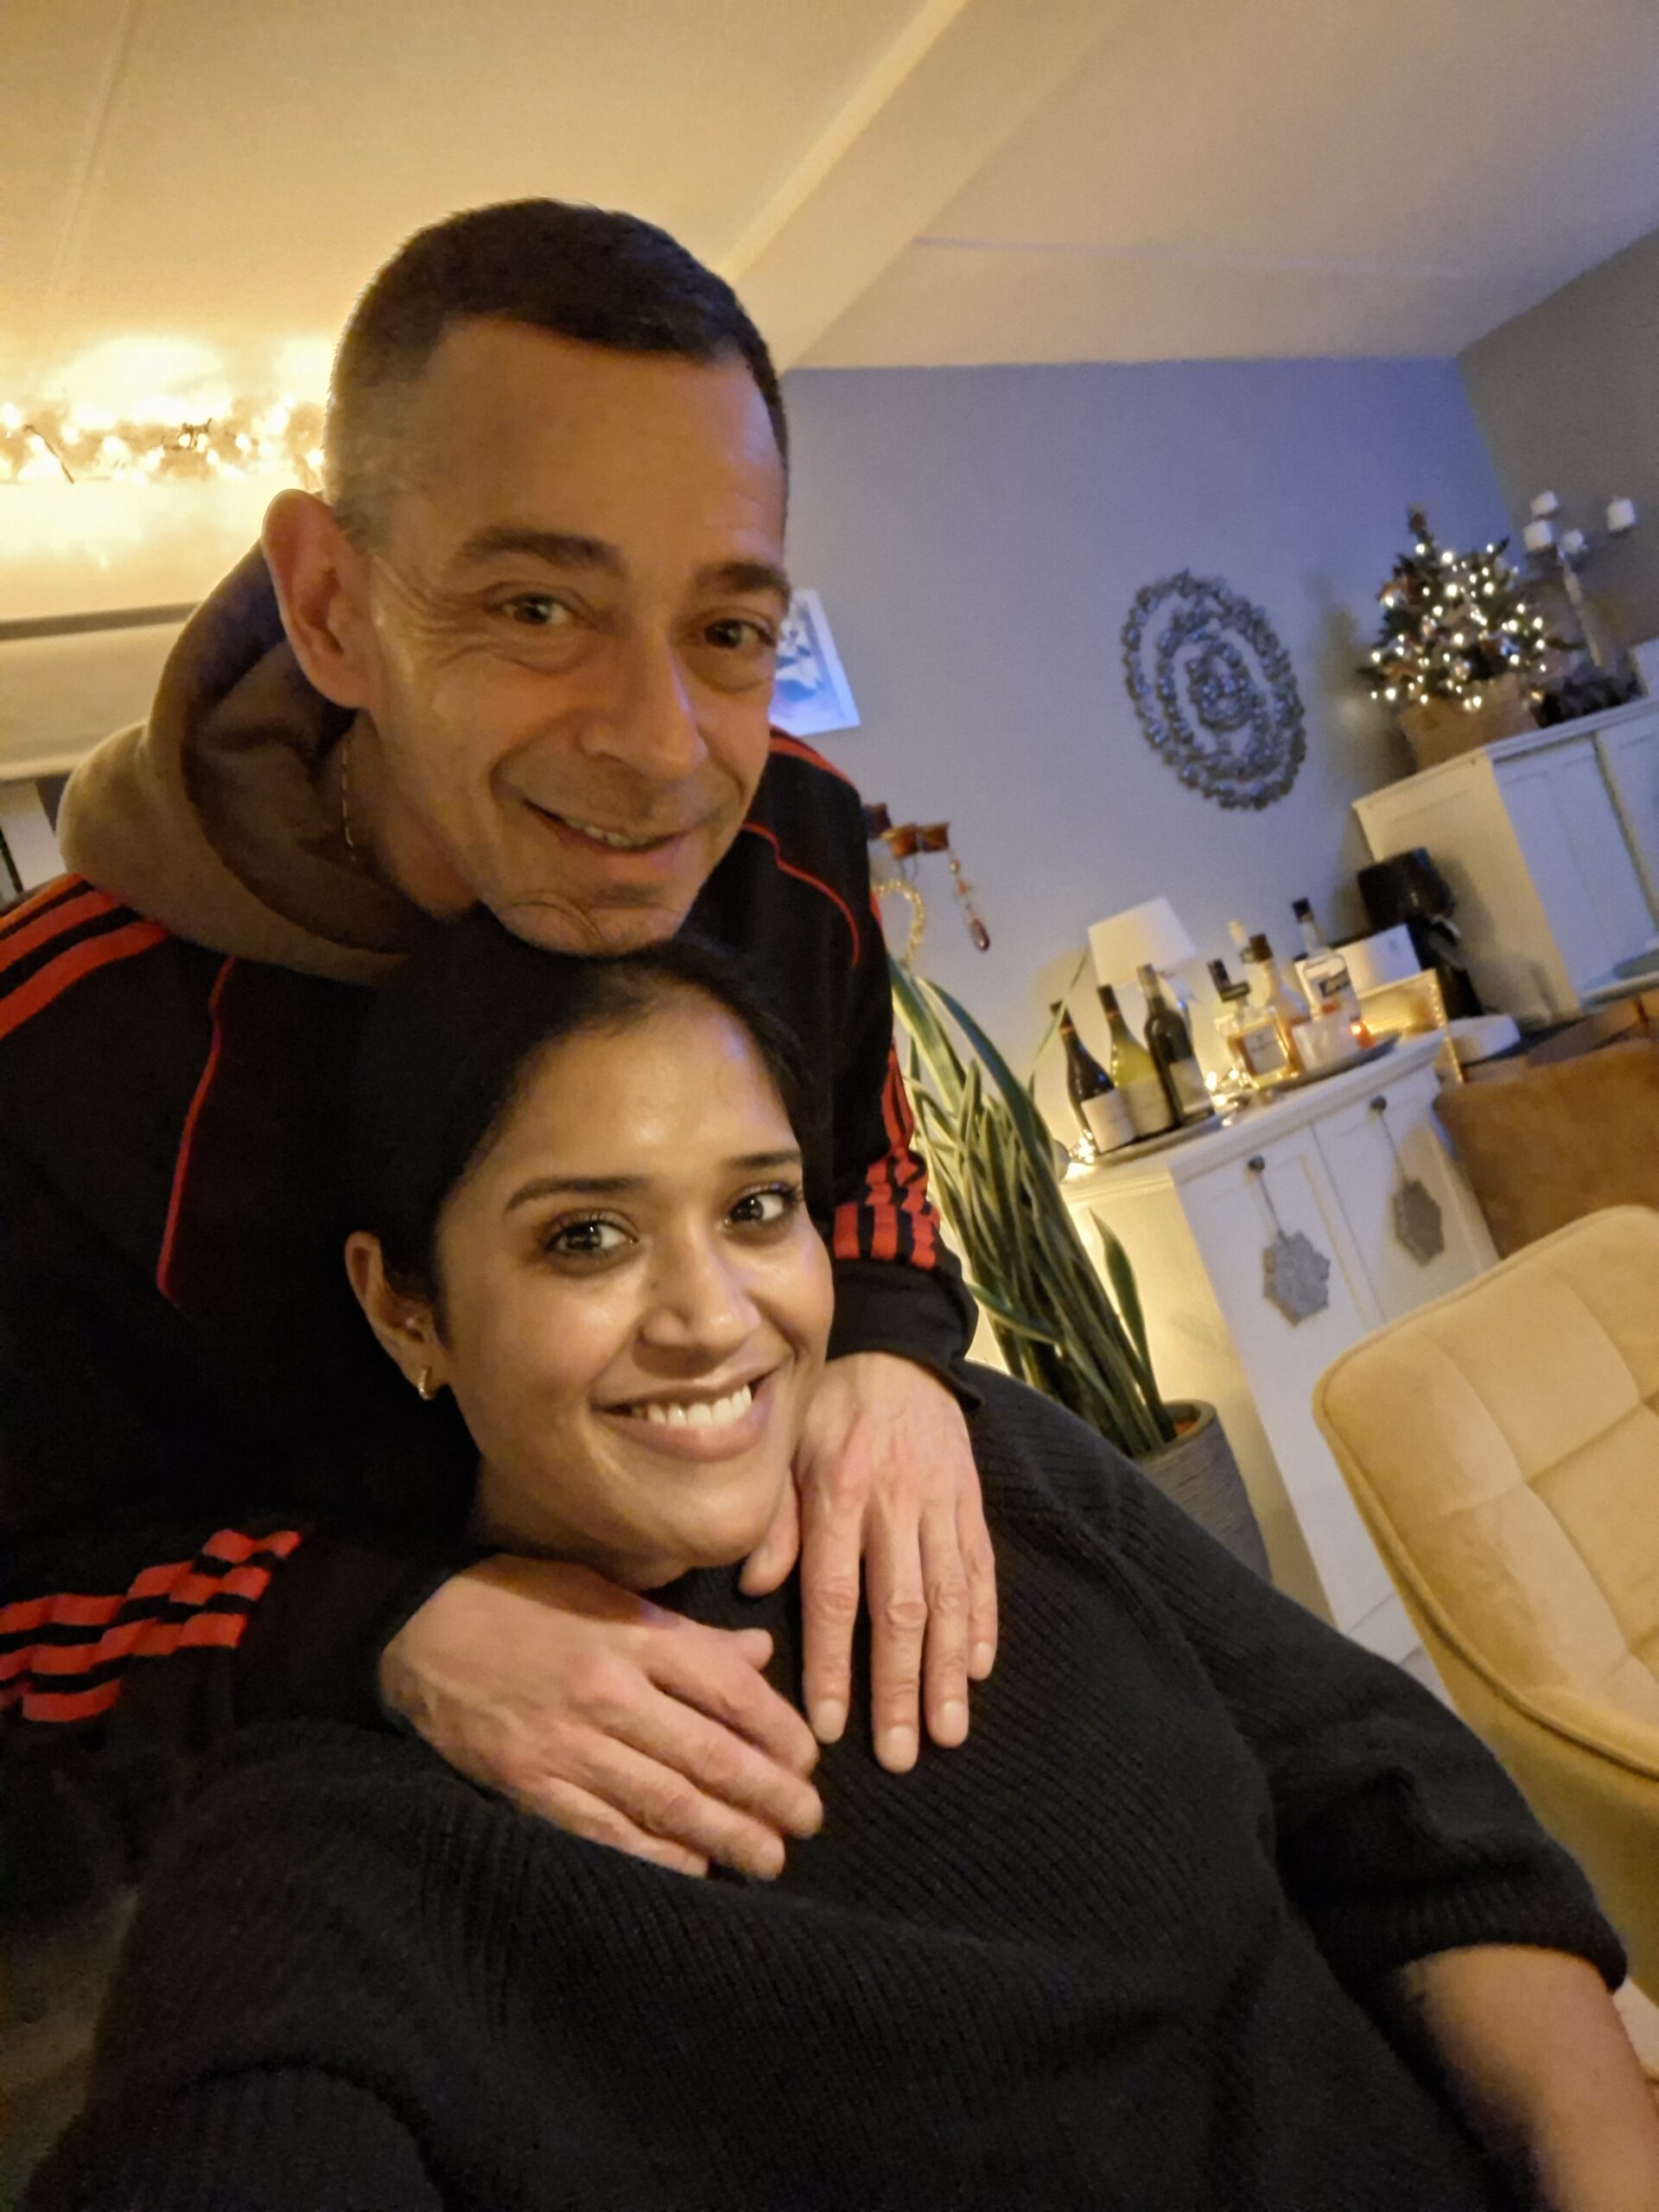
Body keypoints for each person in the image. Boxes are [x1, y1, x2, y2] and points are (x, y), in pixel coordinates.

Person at [28, 915, 1659, 2211]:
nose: (712, 1318)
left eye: (758, 1209)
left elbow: (1405, 1814)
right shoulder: (336, 1850)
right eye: (585, 1237)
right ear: (406, 1307)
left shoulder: (985, 1465)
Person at [0, 200, 995, 1894]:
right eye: (539, 607)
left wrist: (894, 1353)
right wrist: (384, 1625)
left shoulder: (797, 845)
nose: (662, 751)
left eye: (727, 630)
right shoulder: (63, 1055)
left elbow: (865, 1153)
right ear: (332, 607)